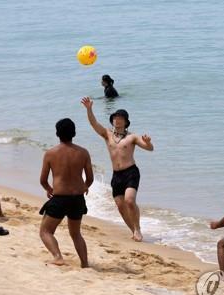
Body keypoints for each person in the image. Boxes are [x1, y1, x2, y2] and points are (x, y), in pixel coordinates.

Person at [81, 97, 153, 242]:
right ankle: (133, 230)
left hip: (131, 172)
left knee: (130, 201)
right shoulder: (107, 135)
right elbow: (94, 124)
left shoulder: (132, 137)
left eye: (120, 118)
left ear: (126, 122)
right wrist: (89, 109)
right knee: (120, 206)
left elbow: (149, 149)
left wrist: (148, 143)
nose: (117, 120)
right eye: (115, 117)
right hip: (117, 175)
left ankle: (138, 228)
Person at [39, 118, 93, 267]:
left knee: (45, 231)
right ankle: (85, 263)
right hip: (77, 199)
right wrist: (85, 186)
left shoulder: (50, 153)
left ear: (57, 133)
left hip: (60, 199)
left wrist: (49, 190)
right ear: (74, 133)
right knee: (76, 234)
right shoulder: (83, 153)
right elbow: (90, 178)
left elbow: (43, 180)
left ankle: (57, 256)